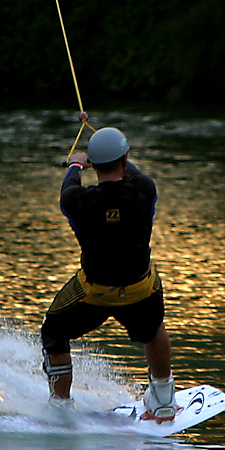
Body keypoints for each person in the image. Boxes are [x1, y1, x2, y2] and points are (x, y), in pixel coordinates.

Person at [41, 121, 177, 422]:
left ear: (95, 165)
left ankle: (60, 408)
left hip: (94, 292)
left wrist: (76, 164)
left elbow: (69, 185)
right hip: (140, 289)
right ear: (125, 159)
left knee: (52, 332)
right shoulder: (145, 190)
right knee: (153, 329)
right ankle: (164, 401)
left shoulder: (77, 202)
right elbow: (133, 172)